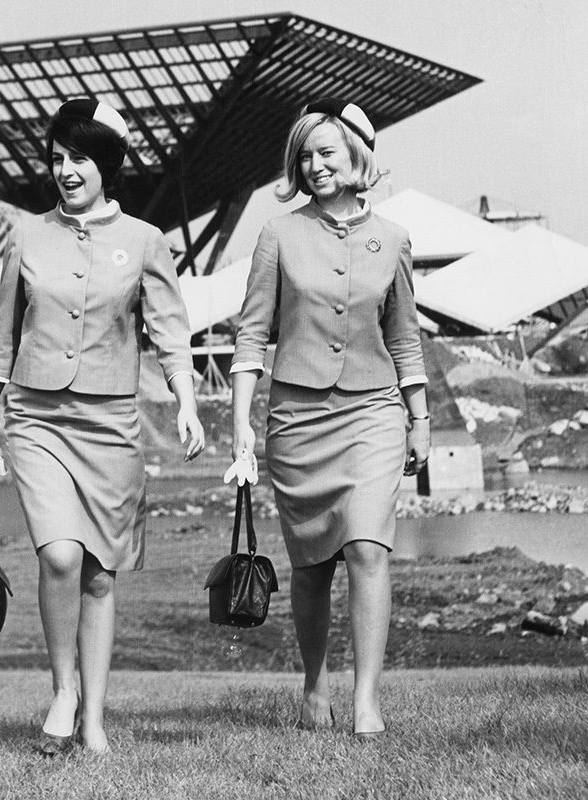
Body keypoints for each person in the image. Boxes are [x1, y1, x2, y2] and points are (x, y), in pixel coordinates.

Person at [0, 98, 205, 755]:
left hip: (112, 424)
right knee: (60, 555)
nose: (65, 170)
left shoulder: (145, 241)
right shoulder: (27, 237)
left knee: (101, 572)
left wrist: (186, 402)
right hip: (38, 419)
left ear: (107, 164)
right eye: (57, 158)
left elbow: (170, 334)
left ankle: (95, 718)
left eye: (79, 158)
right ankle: (63, 691)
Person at [229, 99, 429, 739]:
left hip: (373, 412)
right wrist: (240, 426)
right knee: (312, 564)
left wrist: (419, 417)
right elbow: (251, 334)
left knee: (369, 548)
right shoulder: (278, 234)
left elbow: (404, 338)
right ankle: (315, 684)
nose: (314, 166)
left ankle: (366, 700)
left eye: (326, 154)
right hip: (297, 417)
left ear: (355, 160)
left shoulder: (393, 239)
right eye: (304, 156)